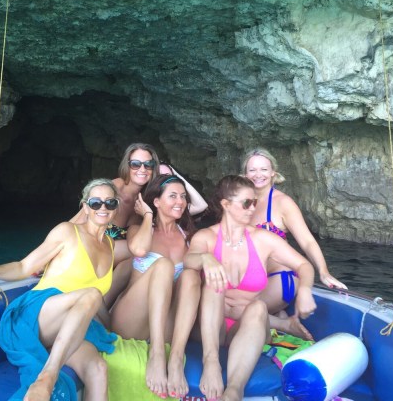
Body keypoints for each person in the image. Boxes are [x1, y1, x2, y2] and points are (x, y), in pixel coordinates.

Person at [0, 178, 119, 401]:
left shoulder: (110, 245)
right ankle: (47, 378)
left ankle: (52, 371)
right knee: (92, 294)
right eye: (96, 202)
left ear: (116, 207)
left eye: (110, 202)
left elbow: (138, 252)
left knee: (99, 369)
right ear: (85, 207)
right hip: (37, 318)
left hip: (68, 329)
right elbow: (24, 267)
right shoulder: (67, 231)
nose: (103, 207)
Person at [185, 175, 316, 401]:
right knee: (213, 284)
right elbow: (188, 260)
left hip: (247, 329)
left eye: (255, 202)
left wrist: (304, 290)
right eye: (247, 203)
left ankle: (234, 390)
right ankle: (211, 361)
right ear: (226, 204)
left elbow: (303, 265)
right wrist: (205, 258)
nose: (253, 208)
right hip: (209, 328)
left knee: (258, 307)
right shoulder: (206, 236)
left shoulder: (263, 239)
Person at [110, 174, 202, 399]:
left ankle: (176, 357)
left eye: (183, 196)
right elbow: (139, 250)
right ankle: (157, 355)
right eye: (173, 196)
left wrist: (172, 172)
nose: (180, 201)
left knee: (191, 276)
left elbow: (202, 205)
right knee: (163, 265)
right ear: (157, 201)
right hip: (131, 320)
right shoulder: (138, 228)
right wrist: (148, 215)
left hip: (165, 325)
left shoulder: (188, 237)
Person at [242, 148, 347, 319]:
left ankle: (280, 320)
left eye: (264, 169)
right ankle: (279, 318)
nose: (258, 174)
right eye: (252, 170)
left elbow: (307, 241)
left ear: (273, 172)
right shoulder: (242, 203)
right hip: (253, 279)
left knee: (240, 315)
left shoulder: (283, 202)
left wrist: (323, 271)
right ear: (245, 174)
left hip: (279, 278)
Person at [70, 142, 160, 308]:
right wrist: (50, 254)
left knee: (138, 258)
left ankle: (105, 305)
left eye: (148, 164)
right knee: (141, 255)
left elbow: (197, 207)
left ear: (154, 167)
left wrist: (174, 173)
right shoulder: (113, 188)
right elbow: (76, 221)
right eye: (135, 164)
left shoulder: (147, 200)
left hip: (111, 260)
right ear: (127, 165)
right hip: (88, 250)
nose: (142, 169)